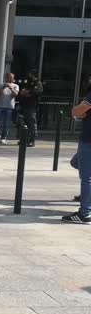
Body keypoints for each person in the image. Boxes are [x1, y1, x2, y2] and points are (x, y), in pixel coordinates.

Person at [63, 94, 91, 224]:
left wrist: (77, 111)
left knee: (87, 178)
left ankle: (84, 213)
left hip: (88, 139)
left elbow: (77, 111)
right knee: (75, 162)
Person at [0, 72, 19, 145]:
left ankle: (3, 138)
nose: (11, 79)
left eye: (12, 77)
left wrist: (11, 88)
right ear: (6, 78)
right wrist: (3, 87)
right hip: (0, 106)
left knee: (6, 123)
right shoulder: (1, 85)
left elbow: (15, 95)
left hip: (9, 107)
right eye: (10, 77)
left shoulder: (15, 86)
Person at [19, 69, 43, 147]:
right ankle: (25, 139)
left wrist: (27, 92)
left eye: (30, 74)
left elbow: (36, 92)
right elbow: (23, 91)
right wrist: (24, 92)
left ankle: (31, 140)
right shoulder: (29, 83)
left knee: (31, 123)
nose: (29, 76)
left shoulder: (38, 83)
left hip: (32, 105)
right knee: (25, 123)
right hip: (25, 105)